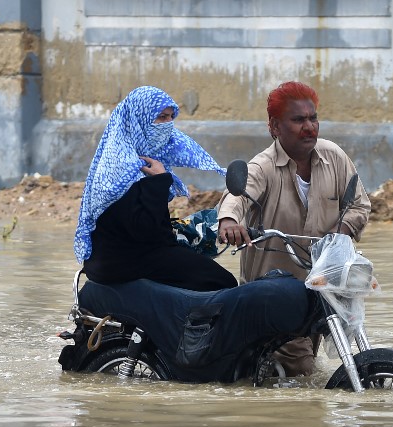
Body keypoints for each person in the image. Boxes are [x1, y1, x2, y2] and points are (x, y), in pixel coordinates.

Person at [216, 81, 371, 375]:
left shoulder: (334, 157)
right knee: (304, 371)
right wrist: (229, 221)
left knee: (313, 367)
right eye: (298, 120)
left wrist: (341, 232)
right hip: (276, 297)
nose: (309, 127)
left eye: (313, 118)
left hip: (324, 288)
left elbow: (359, 205)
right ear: (275, 126)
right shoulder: (262, 166)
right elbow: (237, 197)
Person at [73, 85, 238, 292]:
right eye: (161, 117)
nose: (168, 124)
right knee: (222, 280)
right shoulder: (124, 168)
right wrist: (160, 181)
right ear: (139, 120)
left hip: (121, 256)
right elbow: (145, 230)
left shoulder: (124, 157)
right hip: (122, 261)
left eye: (171, 117)